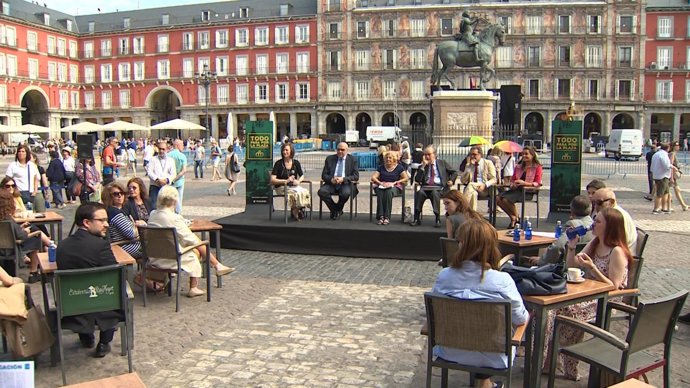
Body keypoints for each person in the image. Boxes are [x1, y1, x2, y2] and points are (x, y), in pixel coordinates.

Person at [432, 219, 528, 388]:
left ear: (461, 245)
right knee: (514, 325)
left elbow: (434, 314)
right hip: (494, 355)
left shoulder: (445, 276)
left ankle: (484, 383)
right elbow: (520, 318)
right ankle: (485, 383)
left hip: (451, 350)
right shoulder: (501, 281)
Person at [542, 207, 631, 381]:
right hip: (588, 294)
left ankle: (559, 361)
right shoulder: (595, 242)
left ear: (609, 226)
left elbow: (614, 286)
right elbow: (571, 266)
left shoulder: (617, 251)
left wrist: (592, 268)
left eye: (598, 222)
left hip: (606, 300)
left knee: (563, 311)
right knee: (552, 309)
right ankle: (548, 358)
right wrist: (572, 248)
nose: (593, 224)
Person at [56, 202, 122, 358]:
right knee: (116, 291)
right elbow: (115, 275)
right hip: (102, 308)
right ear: (86, 222)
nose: (106, 224)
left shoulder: (62, 246)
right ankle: (104, 343)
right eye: (102, 220)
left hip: (71, 308)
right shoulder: (101, 246)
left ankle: (86, 336)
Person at [147, 186, 235, 298]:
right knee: (195, 246)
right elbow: (190, 239)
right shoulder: (174, 218)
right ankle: (197, 284)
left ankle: (217, 265)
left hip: (154, 257)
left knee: (192, 244)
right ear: (174, 200)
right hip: (171, 259)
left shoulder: (153, 214)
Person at [524, 195, 594, 266]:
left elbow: (557, 247)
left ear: (571, 211)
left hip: (568, 268)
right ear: (590, 210)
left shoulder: (573, 225)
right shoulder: (594, 225)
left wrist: (541, 260)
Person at [0, 190, 52, 283]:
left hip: (3, 247)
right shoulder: (7, 218)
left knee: (34, 229)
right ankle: (34, 272)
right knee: (36, 237)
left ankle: (50, 244)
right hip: (14, 247)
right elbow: (20, 236)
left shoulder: (4, 219)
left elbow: (11, 232)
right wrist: (25, 231)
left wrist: (21, 227)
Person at [496, 146, 543, 228]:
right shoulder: (518, 166)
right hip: (516, 189)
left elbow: (538, 183)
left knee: (506, 200)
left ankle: (515, 219)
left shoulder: (537, 167)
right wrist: (513, 183)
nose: (524, 156)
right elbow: (513, 179)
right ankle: (514, 217)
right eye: (522, 154)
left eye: (526, 154)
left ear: (532, 155)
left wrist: (524, 183)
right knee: (497, 198)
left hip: (527, 191)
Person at [411, 145, 457, 227]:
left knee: (435, 193)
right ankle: (417, 218)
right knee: (420, 193)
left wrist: (451, 180)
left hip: (440, 188)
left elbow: (454, 172)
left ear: (434, 154)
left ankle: (437, 218)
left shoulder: (442, 163)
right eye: (425, 155)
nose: (427, 157)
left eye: (429, 154)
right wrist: (422, 167)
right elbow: (417, 180)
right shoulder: (422, 166)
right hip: (426, 188)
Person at [590, 188, 637, 260]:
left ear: (611, 202)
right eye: (593, 203)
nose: (596, 206)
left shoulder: (617, 216)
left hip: (621, 257)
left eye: (599, 203)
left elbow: (619, 242)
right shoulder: (606, 214)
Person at [318, 142, 359, 220]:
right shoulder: (329, 159)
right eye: (338, 149)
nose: (340, 151)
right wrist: (331, 179)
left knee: (345, 193)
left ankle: (336, 210)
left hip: (345, 184)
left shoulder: (352, 160)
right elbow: (324, 175)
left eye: (342, 150)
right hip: (332, 183)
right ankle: (335, 210)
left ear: (347, 150)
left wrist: (343, 179)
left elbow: (356, 176)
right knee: (321, 191)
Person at [101, 182, 143, 260]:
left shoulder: (115, 211)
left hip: (126, 244)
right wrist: (139, 226)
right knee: (158, 248)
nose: (120, 196)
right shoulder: (115, 213)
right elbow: (131, 233)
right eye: (116, 194)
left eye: (122, 193)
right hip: (124, 246)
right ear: (109, 197)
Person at [271, 142, 310, 221]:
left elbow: (302, 175)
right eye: (283, 150)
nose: (284, 152)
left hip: (294, 186)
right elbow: (272, 180)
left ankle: (298, 208)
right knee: (295, 194)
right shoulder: (278, 163)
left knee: (305, 191)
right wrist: (286, 181)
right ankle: (296, 210)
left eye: (286, 150)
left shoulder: (296, 163)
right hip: (281, 187)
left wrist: (298, 181)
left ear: (291, 151)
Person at [371, 151, 408, 225]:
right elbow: (373, 177)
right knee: (380, 191)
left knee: (388, 192)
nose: (388, 159)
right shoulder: (381, 167)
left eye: (390, 158)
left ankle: (387, 216)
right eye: (386, 158)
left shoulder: (399, 167)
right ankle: (381, 216)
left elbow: (406, 178)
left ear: (394, 159)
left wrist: (395, 182)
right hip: (382, 185)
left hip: (394, 186)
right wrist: (381, 183)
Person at [460, 146, 497, 211]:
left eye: (474, 154)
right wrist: (468, 168)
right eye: (470, 154)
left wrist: (485, 185)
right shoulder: (469, 165)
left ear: (480, 155)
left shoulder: (488, 163)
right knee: (473, 194)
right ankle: (473, 216)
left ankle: (461, 208)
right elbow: (462, 180)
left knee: (471, 184)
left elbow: (494, 179)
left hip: (484, 189)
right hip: (472, 189)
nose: (472, 156)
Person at [145, 140, 175, 210]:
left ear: (167, 149)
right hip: (155, 186)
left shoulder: (171, 160)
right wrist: (157, 179)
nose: (161, 151)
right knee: (153, 206)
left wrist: (167, 180)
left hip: (166, 186)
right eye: (160, 149)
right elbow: (149, 172)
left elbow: (173, 173)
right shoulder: (153, 159)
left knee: (167, 206)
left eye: (163, 149)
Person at [650, 143, 676, 214]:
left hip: (657, 175)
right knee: (660, 193)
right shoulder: (663, 155)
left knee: (666, 192)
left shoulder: (656, 154)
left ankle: (663, 208)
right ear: (668, 148)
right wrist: (672, 167)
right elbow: (666, 165)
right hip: (663, 176)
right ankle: (656, 209)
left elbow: (652, 166)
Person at [167, 139, 187, 214]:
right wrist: (176, 179)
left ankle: (170, 213)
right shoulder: (182, 156)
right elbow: (184, 170)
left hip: (169, 181)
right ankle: (178, 215)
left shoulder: (168, 155)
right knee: (179, 199)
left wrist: (171, 179)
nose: (183, 147)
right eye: (182, 145)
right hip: (179, 181)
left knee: (169, 199)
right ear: (177, 145)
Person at [669, 141, 688, 211]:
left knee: (677, 190)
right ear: (673, 146)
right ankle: (668, 206)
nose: (678, 146)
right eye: (677, 145)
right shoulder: (672, 154)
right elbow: (670, 166)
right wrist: (671, 178)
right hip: (671, 176)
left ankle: (683, 205)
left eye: (679, 145)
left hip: (672, 175)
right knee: (668, 191)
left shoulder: (673, 154)